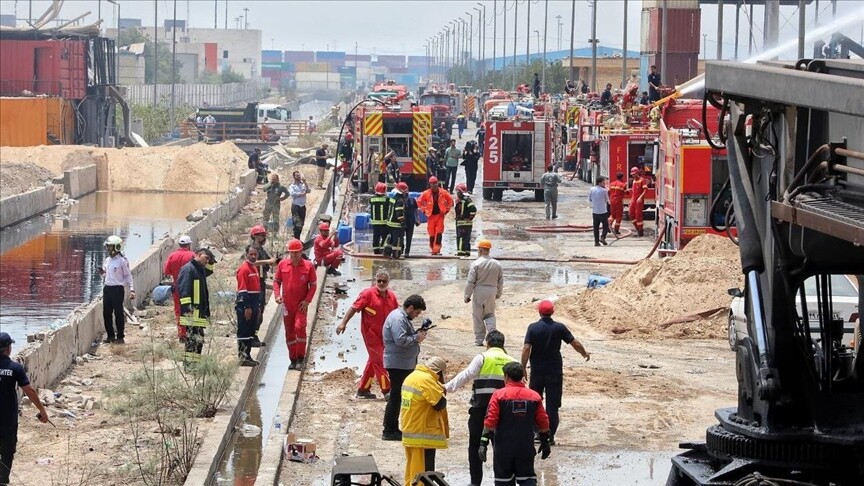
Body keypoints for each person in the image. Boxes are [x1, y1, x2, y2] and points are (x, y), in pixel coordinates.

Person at [444, 330, 515, 486]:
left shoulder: (482, 357)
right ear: (503, 345)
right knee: (501, 448)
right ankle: (501, 481)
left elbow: (467, 375)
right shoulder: (511, 360)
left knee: (475, 446)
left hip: (481, 410)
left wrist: (447, 388)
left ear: (488, 343)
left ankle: (475, 482)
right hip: (504, 413)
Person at [520, 300, 590, 444]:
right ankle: (550, 435)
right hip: (554, 371)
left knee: (535, 401)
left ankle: (537, 433)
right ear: (552, 312)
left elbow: (527, 348)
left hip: (537, 371)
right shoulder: (559, 328)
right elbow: (574, 342)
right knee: (553, 405)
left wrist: (523, 367)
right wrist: (584, 353)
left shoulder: (533, 328)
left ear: (539, 312)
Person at [479, 362, 551, 485]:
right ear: (523, 376)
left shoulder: (498, 395)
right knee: (527, 478)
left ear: (506, 376)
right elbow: (543, 422)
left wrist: (483, 443)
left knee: (504, 480)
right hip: (525, 448)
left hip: (503, 449)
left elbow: (490, 421)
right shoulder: (534, 396)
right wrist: (545, 442)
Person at [336, 270, 400, 399]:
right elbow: (354, 308)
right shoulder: (367, 294)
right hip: (370, 335)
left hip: (386, 337)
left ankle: (363, 389)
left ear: (388, 282)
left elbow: (398, 316)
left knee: (373, 361)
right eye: (379, 281)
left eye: (384, 281)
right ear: (375, 281)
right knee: (380, 362)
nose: (381, 283)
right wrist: (343, 323)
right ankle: (387, 390)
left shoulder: (392, 297)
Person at [1, 332, 49, 485]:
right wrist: (42, 410)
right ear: (8, 349)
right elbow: (29, 391)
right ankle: (2, 480)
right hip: (8, 420)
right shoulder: (15, 368)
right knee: (7, 452)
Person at [381, 294, 428, 441]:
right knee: (396, 396)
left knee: (398, 396)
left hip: (403, 363)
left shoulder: (402, 317)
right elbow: (400, 340)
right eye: (416, 312)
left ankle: (393, 428)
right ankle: (389, 429)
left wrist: (416, 334)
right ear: (411, 307)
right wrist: (416, 338)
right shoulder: (398, 318)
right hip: (398, 364)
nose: (416, 315)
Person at [400, 356, 449, 485]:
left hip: (410, 430)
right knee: (422, 475)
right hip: (422, 434)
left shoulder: (412, 377)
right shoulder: (426, 380)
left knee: (412, 470)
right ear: (439, 372)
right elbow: (440, 403)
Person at [273, 239, 317, 371]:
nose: (294, 256)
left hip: (300, 305)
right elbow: (276, 281)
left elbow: (313, 286)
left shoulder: (308, 266)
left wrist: (307, 301)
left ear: (301, 252)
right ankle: (292, 359)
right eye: (291, 253)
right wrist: (277, 295)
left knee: (299, 328)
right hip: (287, 305)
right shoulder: (283, 265)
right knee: (290, 332)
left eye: (296, 253)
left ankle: (300, 358)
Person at [178, 248, 216, 364]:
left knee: (198, 340)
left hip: (199, 313)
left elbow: (210, 270)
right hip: (191, 313)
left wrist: (212, 261)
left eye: (209, 259)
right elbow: (184, 292)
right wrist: (188, 310)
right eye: (206, 258)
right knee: (192, 340)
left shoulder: (200, 270)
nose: (207, 261)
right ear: (198, 255)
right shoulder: (188, 269)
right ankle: (189, 365)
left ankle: (195, 364)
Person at [464, 239, 504, 346]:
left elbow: (470, 282)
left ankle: (479, 339)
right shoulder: (497, 264)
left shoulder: (476, 264)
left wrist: (467, 295)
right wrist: (499, 293)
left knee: (478, 316)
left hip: (479, 291)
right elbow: (500, 281)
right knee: (490, 314)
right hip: (492, 291)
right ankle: (492, 336)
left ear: (481, 250)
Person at [100, 235, 135, 344]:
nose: (108, 249)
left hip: (117, 289)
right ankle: (110, 335)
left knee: (118, 313)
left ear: (117, 247)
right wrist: (102, 273)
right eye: (108, 247)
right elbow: (106, 274)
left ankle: (120, 336)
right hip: (107, 288)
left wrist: (132, 289)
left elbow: (128, 276)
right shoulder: (107, 260)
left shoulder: (122, 261)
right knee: (106, 313)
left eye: (110, 247)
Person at [163, 235, 195, 342]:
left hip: (177, 287)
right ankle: (190, 332)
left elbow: (167, 271)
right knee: (190, 309)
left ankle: (182, 334)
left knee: (179, 310)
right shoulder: (192, 255)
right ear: (189, 245)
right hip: (190, 288)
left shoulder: (172, 256)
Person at [248, 226, 276, 347]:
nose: (263, 238)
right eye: (261, 235)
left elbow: (270, 260)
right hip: (254, 283)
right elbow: (251, 263)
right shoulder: (252, 250)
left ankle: (254, 335)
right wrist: (268, 262)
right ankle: (251, 336)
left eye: (264, 235)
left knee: (260, 309)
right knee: (256, 310)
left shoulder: (261, 250)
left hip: (261, 282)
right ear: (254, 236)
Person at [235, 246, 261, 367]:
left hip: (254, 305)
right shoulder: (244, 269)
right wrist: (247, 307)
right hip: (246, 306)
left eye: (255, 254)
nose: (253, 256)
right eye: (251, 254)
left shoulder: (254, 268)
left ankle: (248, 355)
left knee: (250, 332)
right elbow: (243, 291)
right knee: (244, 332)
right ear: (246, 254)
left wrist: (258, 307)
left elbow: (256, 288)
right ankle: (243, 357)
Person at [416, 176, 453, 256]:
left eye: (435, 183)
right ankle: (433, 249)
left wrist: (447, 209)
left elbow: (450, 200)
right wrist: (424, 210)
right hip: (430, 216)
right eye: (432, 184)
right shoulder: (426, 193)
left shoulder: (443, 192)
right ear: (430, 184)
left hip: (440, 215)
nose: (434, 185)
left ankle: (437, 250)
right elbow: (419, 201)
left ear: (438, 183)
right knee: (432, 233)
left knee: (439, 232)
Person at [385, 184, 407, 259]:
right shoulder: (400, 201)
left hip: (389, 223)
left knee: (390, 239)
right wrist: (403, 222)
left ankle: (387, 253)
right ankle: (396, 255)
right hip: (396, 224)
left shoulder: (393, 198)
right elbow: (399, 214)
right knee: (397, 241)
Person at [454, 183, 477, 257]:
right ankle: (467, 252)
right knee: (466, 238)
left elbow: (473, 208)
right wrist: (470, 218)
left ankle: (461, 252)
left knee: (461, 237)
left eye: (458, 191)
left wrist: (470, 217)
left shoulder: (465, 200)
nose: (457, 193)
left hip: (462, 223)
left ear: (461, 192)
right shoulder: (465, 199)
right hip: (467, 223)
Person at [369, 182, 392, 255]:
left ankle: (376, 250)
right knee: (385, 237)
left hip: (375, 222)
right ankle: (382, 249)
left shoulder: (371, 199)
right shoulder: (387, 199)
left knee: (376, 237)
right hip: (384, 222)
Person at [589, 176, 611, 246]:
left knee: (596, 228)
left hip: (595, 211)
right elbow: (607, 200)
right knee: (606, 226)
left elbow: (590, 199)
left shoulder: (592, 189)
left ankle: (596, 242)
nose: (605, 183)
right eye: (603, 182)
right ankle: (603, 237)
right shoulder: (604, 191)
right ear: (599, 183)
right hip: (603, 211)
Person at [288, 171, 311, 239]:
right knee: (296, 223)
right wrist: (301, 194)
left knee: (302, 223)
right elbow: (292, 194)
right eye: (297, 176)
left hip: (302, 206)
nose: (299, 177)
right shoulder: (292, 186)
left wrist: (305, 183)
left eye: (299, 175)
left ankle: (298, 237)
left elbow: (309, 191)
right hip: (296, 206)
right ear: (294, 177)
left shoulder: (303, 184)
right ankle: (296, 239)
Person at [400, 182, 420, 258]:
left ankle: (407, 251)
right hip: (402, 221)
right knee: (401, 236)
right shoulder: (399, 200)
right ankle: (401, 249)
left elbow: (416, 209)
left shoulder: (412, 200)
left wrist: (417, 219)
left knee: (409, 237)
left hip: (410, 222)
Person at [630, 166, 647, 236]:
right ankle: (637, 228)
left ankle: (640, 231)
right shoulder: (634, 181)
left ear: (637, 173)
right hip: (633, 200)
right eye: (632, 174)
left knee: (638, 215)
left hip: (639, 201)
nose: (633, 175)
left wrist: (640, 197)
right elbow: (633, 192)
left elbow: (646, 190)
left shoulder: (642, 180)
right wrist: (631, 201)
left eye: (634, 174)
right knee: (631, 214)